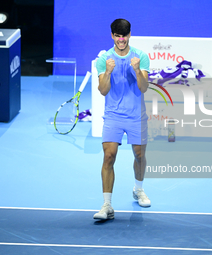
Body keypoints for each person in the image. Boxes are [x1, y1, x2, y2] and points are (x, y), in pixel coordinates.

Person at [93, 18, 151, 220]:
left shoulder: (141, 57)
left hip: (136, 116)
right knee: (109, 156)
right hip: (114, 116)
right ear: (112, 36)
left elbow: (144, 88)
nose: (121, 40)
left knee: (140, 156)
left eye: (124, 36)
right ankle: (107, 204)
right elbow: (102, 91)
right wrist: (108, 71)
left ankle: (138, 189)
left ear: (129, 35)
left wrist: (136, 70)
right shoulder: (104, 59)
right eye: (117, 36)